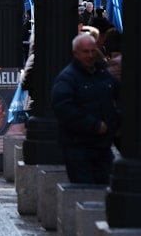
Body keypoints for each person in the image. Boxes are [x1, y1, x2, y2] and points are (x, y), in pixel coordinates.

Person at [52, 32, 121, 184]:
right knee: (85, 190)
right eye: (85, 51)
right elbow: (65, 109)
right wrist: (94, 125)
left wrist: (115, 121)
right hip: (78, 146)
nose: (90, 55)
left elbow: (118, 95)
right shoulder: (67, 78)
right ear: (75, 53)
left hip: (102, 145)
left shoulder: (102, 73)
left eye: (92, 51)